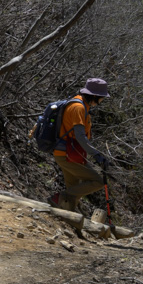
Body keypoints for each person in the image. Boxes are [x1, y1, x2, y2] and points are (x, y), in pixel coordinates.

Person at [49, 78, 113, 211]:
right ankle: (59, 198)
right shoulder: (78, 107)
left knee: (73, 191)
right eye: (102, 98)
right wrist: (96, 155)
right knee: (98, 181)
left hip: (67, 153)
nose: (102, 101)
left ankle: (69, 218)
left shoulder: (81, 104)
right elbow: (79, 136)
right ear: (95, 96)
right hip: (67, 154)